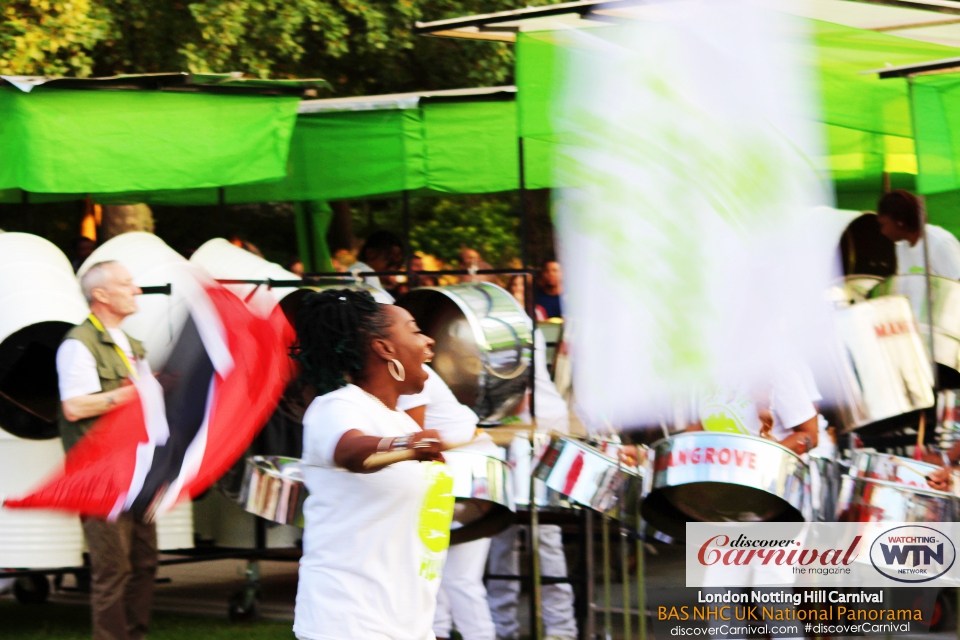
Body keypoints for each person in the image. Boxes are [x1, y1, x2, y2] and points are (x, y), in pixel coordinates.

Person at [292, 289, 452, 640]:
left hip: (405, 624)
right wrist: (406, 446)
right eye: (414, 330)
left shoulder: (404, 422)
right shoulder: (337, 406)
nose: (428, 342)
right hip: (348, 622)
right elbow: (351, 452)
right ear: (384, 348)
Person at [56, 261, 155, 640]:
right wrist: (138, 391)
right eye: (128, 284)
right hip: (101, 475)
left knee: (145, 563)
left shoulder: (133, 343)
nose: (137, 290)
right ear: (101, 295)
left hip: (138, 469)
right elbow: (75, 407)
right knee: (113, 570)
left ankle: (135, 634)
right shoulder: (77, 344)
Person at [487, 329, 578, 640]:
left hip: (535, 429)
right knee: (501, 535)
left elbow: (517, 386)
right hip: (509, 431)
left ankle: (560, 629)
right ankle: (505, 626)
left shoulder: (516, 326)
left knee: (543, 533)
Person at [398, 365, 499, 640]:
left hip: (467, 480)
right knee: (433, 577)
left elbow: (412, 443)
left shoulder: (410, 374)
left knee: (460, 579)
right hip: (445, 481)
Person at [877, 189, 960, 280]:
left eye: (883, 225)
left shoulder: (939, 243)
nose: (883, 231)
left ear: (899, 221)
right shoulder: (901, 247)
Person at [350, 230, 406, 301]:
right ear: (370, 253)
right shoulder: (365, 272)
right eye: (389, 260)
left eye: (398, 264)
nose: (393, 268)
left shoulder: (358, 269)